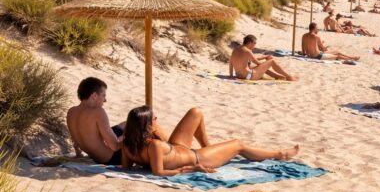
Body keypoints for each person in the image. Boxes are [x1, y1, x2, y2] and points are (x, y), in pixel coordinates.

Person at [121, 106, 299, 176]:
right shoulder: (155, 145)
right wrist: (190, 168)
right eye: (154, 120)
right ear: (145, 125)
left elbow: (126, 168)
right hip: (197, 158)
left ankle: (210, 147)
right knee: (238, 145)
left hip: (177, 148)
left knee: (195, 112)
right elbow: (158, 172)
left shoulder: (128, 145)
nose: (157, 121)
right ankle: (280, 154)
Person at [66, 77, 126, 164]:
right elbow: (115, 146)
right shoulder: (98, 112)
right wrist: (128, 135)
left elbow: (78, 139)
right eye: (103, 96)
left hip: (95, 156)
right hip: (112, 158)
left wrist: (78, 153)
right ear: (94, 96)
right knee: (143, 125)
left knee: (127, 123)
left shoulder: (71, 111)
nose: (105, 100)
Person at [229, 35, 297, 81]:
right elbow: (257, 63)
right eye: (254, 43)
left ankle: (277, 76)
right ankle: (288, 76)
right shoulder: (248, 51)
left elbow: (231, 64)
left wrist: (231, 76)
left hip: (239, 76)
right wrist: (267, 62)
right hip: (248, 76)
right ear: (250, 43)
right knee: (272, 61)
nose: (255, 46)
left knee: (257, 67)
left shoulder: (235, 50)